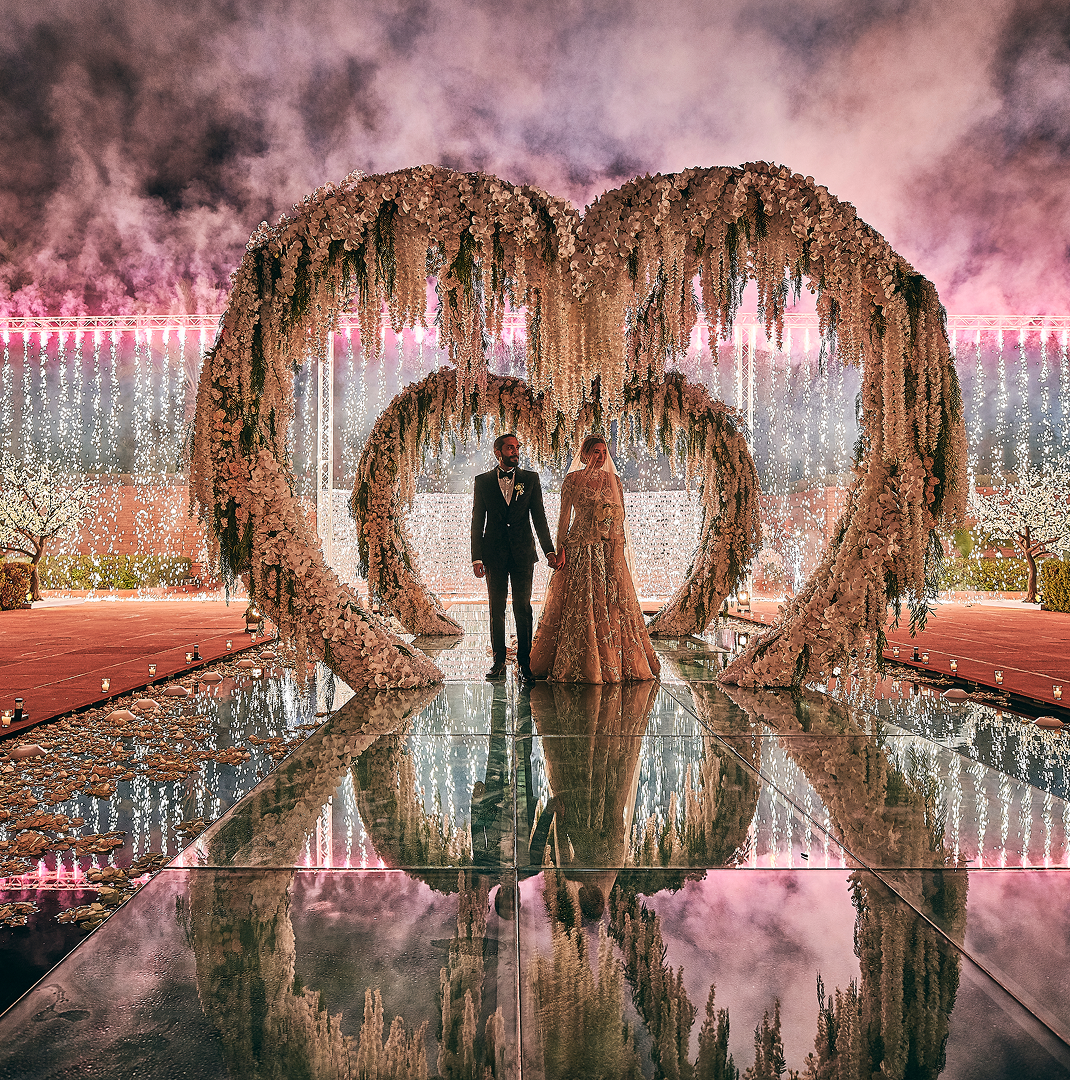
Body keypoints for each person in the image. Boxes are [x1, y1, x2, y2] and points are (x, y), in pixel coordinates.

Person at [529, 434, 660, 683]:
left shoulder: (614, 480)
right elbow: (564, 518)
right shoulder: (572, 480)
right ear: (584, 454)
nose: (600, 457)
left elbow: (620, 516)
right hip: (579, 546)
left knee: (610, 602)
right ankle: (577, 660)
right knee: (579, 603)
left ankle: (612, 659)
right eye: (595, 452)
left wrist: (616, 542)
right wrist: (560, 548)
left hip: (607, 548)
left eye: (603, 452)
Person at [471, 433, 558, 683]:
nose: (515, 452)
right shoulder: (483, 481)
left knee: (523, 608)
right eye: (510, 448)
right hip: (493, 555)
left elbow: (539, 517)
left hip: (523, 554)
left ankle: (524, 663)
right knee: (496, 608)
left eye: (517, 447)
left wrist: (549, 550)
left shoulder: (530, 479)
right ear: (498, 452)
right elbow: (477, 521)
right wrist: (476, 558)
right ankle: (498, 660)